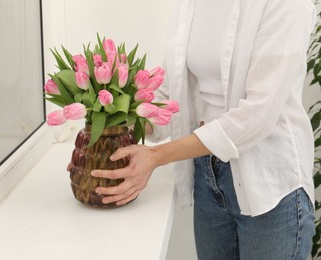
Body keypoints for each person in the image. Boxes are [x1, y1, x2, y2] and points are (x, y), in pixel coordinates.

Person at [83, 0, 318, 259]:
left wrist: (157, 156)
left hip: (269, 185)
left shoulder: (286, 4)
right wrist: (107, 117)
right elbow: (172, 93)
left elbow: (256, 116)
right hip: (207, 172)